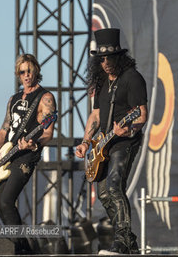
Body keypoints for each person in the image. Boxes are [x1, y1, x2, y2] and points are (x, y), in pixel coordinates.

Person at [75, 28, 148, 255]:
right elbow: (95, 116)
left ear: (119, 56)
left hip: (125, 140)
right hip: (103, 143)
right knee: (104, 193)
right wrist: (86, 142)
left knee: (115, 184)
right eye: (101, 59)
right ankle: (130, 243)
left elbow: (142, 114)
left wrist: (128, 129)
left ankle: (122, 239)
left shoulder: (132, 78)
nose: (105, 63)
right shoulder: (100, 83)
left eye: (109, 58)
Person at [0, 54, 56, 254]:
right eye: (22, 72)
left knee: (8, 200)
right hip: (7, 155)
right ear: (18, 74)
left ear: (36, 71)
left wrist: (34, 144)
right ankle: (19, 244)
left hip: (27, 155)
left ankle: (23, 248)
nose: (26, 75)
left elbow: (48, 133)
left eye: (29, 70)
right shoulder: (13, 99)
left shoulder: (45, 98)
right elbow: (4, 130)